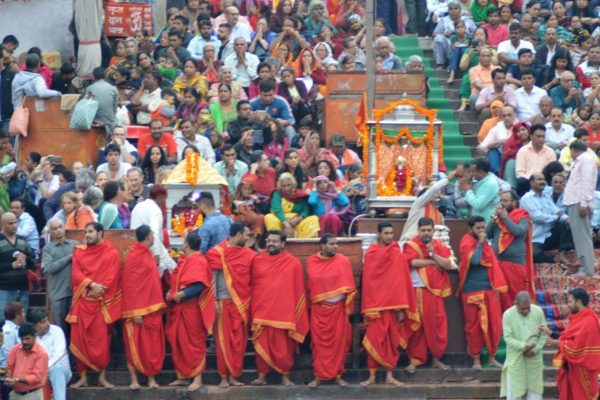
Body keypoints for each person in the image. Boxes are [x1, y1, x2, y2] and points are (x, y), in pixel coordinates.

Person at [360, 222, 418, 387]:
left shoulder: (397, 254)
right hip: (375, 307)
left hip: (393, 307)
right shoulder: (371, 253)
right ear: (379, 234)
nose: (389, 236)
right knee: (374, 340)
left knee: (392, 342)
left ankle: (389, 376)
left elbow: (400, 282)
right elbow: (369, 283)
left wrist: (401, 308)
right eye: (386, 233)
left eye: (391, 233)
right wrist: (368, 307)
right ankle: (371, 376)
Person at [250, 230, 309, 386]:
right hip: (261, 310)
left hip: (284, 313)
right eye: (269, 240)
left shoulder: (292, 262)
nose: (271, 244)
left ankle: (285, 376)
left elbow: (298, 290)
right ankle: (261, 376)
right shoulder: (257, 260)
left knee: (284, 348)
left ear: (283, 244)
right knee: (261, 343)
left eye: (275, 241)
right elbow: (253, 286)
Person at [67, 222, 122, 389]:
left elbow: (113, 276)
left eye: (90, 231)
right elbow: (76, 273)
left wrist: (99, 289)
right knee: (79, 339)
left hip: (101, 303)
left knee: (101, 341)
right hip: (83, 301)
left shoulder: (111, 253)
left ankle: (101, 377)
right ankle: (83, 377)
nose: (87, 235)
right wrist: (91, 285)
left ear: (100, 233)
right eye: (86, 232)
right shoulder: (79, 251)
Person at [206, 223, 256, 388]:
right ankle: (223, 377)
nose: (248, 239)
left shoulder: (250, 255)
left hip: (242, 305)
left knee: (239, 343)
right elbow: (212, 279)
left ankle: (234, 376)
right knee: (223, 342)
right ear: (238, 234)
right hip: (223, 303)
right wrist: (213, 301)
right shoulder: (217, 253)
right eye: (246, 235)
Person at [403, 217, 453, 374]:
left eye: (428, 230)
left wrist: (432, 254)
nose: (426, 233)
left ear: (433, 231)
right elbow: (412, 262)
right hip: (416, 291)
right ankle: (414, 361)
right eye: (423, 230)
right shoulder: (411, 244)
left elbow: (447, 264)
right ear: (418, 231)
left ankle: (436, 359)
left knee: (435, 326)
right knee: (417, 326)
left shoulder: (439, 246)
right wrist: (432, 262)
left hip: (434, 292)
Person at [306, 234, 356, 388]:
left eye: (336, 243)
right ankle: (319, 376)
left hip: (339, 310)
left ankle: (338, 375)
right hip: (320, 311)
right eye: (332, 243)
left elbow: (349, 285)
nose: (336, 246)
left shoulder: (343, 261)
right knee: (319, 345)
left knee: (339, 344)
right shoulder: (312, 262)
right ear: (322, 246)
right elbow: (314, 283)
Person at [166, 233, 215, 392]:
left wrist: (183, 294)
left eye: (183, 241)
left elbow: (199, 285)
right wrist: (171, 293)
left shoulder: (198, 260)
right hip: (179, 308)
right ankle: (182, 376)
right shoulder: (184, 260)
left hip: (192, 310)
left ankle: (197, 378)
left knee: (195, 343)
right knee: (179, 343)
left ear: (186, 244)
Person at [458, 215, 507, 370]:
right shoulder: (466, 242)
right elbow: (474, 261)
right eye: (478, 228)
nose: (481, 231)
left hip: (489, 290)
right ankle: (476, 361)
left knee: (494, 325)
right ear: (470, 228)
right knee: (474, 328)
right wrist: (480, 242)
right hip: (472, 291)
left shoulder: (486, 243)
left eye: (482, 228)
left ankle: (492, 358)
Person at [122, 225, 166, 390]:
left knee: (151, 346)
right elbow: (131, 285)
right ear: (148, 237)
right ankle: (134, 379)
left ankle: (151, 379)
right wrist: (136, 311)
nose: (154, 237)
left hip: (151, 309)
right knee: (133, 344)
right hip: (137, 310)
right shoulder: (134, 254)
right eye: (153, 235)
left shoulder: (147, 253)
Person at [486, 191, 535, 311]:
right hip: (498, 262)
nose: (502, 203)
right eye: (501, 201)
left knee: (514, 296)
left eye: (505, 201)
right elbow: (488, 234)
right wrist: (492, 221)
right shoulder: (499, 218)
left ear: (514, 202)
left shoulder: (522, 216)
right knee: (500, 297)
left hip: (514, 264)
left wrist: (506, 218)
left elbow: (518, 231)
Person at [548, 288, 600, 400]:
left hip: (583, 372)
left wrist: (559, 344)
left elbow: (576, 348)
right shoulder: (580, 317)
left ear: (579, 302)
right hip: (573, 367)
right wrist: (552, 334)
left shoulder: (588, 322)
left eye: (570, 301)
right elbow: (568, 336)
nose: (568, 305)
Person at [500, 292, 547, 400]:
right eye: (522, 309)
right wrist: (524, 346)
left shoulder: (538, 311)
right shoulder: (508, 314)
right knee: (514, 390)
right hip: (516, 355)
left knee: (535, 390)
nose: (526, 311)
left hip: (534, 356)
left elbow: (544, 334)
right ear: (515, 304)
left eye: (528, 308)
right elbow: (508, 337)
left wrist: (534, 349)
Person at [563, 140, 598, 276]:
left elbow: (586, 183)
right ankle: (586, 267)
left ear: (573, 150)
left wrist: (584, 203)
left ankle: (587, 269)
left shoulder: (586, 160)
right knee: (581, 237)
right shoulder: (582, 161)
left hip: (579, 202)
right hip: (576, 202)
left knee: (582, 238)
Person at [520, 173, 572, 264]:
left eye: (543, 179)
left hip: (549, 235)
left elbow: (557, 211)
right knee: (533, 254)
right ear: (531, 182)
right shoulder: (526, 199)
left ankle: (562, 253)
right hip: (535, 238)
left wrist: (567, 219)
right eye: (539, 179)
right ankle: (553, 260)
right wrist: (556, 217)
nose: (542, 182)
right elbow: (538, 217)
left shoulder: (545, 197)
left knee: (567, 223)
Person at [130, 184, 176, 277]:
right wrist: (157, 255)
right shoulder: (155, 211)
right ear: (160, 197)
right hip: (150, 251)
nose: (164, 201)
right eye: (164, 198)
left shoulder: (139, 206)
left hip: (135, 250)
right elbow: (154, 234)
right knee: (173, 271)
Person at [41, 218, 76, 333]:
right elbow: (50, 268)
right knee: (60, 328)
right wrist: (69, 257)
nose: (59, 230)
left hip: (75, 292)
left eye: (60, 227)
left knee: (75, 327)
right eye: (55, 229)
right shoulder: (47, 249)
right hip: (58, 293)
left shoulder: (75, 244)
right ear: (50, 232)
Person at [29, 309, 71, 400]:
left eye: (47, 320)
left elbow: (58, 354)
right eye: (43, 322)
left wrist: (43, 369)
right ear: (34, 325)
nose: (47, 323)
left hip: (61, 372)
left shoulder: (57, 331)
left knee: (56, 369)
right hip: (38, 372)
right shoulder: (30, 336)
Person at [0, 213, 35, 316]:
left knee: (22, 321)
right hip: (4, 288)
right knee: (3, 322)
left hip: (22, 287)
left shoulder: (23, 241)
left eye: (16, 222)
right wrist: (11, 265)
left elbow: (33, 262)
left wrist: (26, 259)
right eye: (10, 223)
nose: (14, 225)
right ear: (2, 224)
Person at [265, 173, 320, 238]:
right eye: (283, 186)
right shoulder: (277, 193)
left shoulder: (300, 194)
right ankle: (276, 238)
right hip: (281, 221)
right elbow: (277, 210)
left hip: (297, 221)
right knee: (269, 217)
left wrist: (298, 219)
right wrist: (286, 224)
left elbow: (306, 210)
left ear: (293, 184)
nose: (286, 188)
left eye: (289, 185)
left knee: (314, 218)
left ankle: (306, 243)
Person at [4, 323, 48, 400]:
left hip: (32, 394)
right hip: (15, 394)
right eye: (22, 339)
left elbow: (36, 377)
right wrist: (8, 378)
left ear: (34, 336)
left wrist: (17, 379)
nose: (24, 342)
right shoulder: (15, 349)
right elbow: (9, 368)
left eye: (27, 339)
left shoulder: (41, 353)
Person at [515, 124, 557, 196]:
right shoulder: (522, 151)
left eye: (543, 137)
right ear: (531, 136)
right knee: (521, 182)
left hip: (544, 182)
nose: (541, 139)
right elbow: (520, 173)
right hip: (528, 183)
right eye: (538, 136)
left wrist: (541, 181)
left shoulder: (550, 152)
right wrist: (533, 182)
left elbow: (553, 172)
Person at [460, 158, 500, 223]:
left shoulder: (490, 184)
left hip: (487, 224)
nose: (471, 174)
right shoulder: (480, 182)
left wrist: (468, 190)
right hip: (478, 222)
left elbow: (478, 205)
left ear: (481, 172)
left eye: (473, 171)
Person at [86, 67, 118, 133]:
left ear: (93, 77)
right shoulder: (113, 88)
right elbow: (115, 109)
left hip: (95, 122)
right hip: (110, 122)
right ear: (105, 76)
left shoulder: (90, 88)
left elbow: (87, 107)